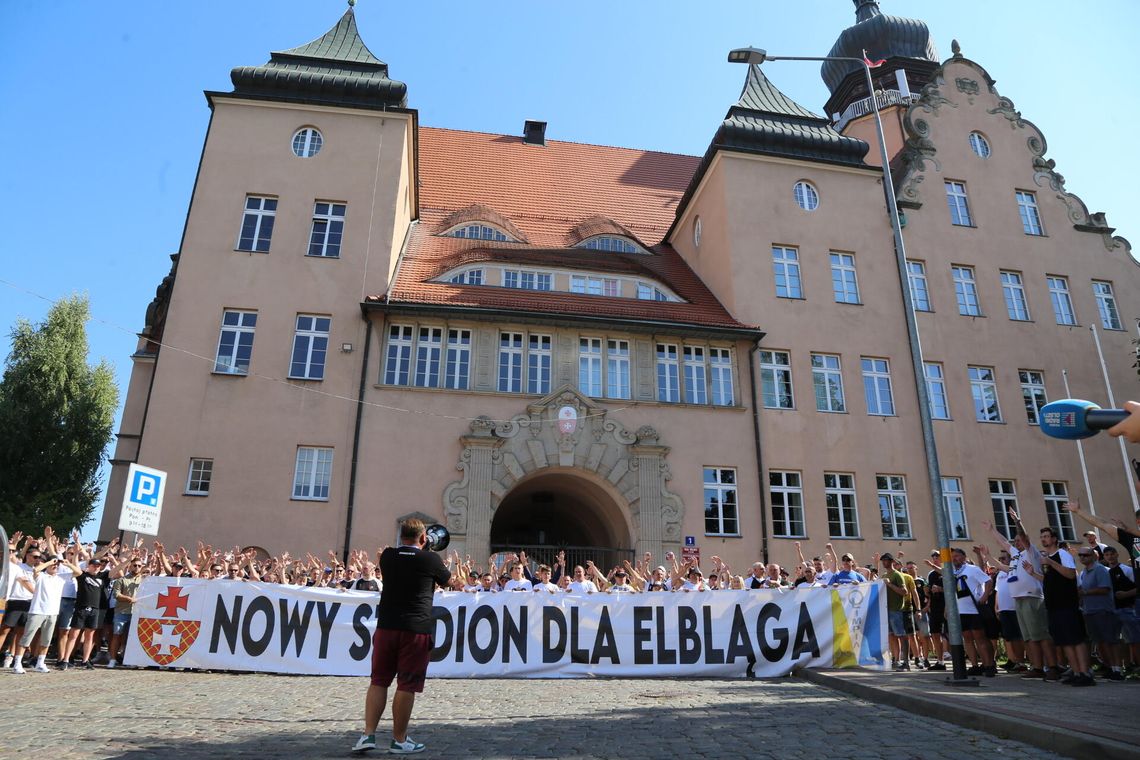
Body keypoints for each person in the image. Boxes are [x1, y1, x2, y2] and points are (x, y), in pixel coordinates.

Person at [353, 519, 451, 754]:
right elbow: (448, 581)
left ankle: (368, 734)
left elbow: (403, 558)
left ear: (401, 535)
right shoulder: (431, 559)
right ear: (424, 538)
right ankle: (399, 739)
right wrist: (429, 551)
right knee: (406, 684)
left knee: (379, 680)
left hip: (387, 626)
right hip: (415, 629)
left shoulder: (387, 557)